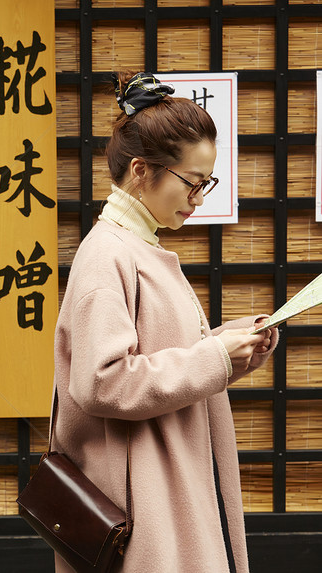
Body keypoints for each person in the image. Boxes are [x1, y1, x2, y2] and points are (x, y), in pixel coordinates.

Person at [51, 71, 276, 573]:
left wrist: (231, 344)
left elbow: (156, 357)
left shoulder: (135, 246)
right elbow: (102, 380)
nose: (199, 199)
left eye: (206, 183)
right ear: (140, 169)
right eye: (193, 183)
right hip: (144, 497)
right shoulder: (108, 254)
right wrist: (214, 356)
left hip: (163, 481)